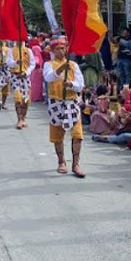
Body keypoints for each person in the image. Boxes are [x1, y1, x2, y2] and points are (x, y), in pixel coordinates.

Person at [43, 38, 86, 177]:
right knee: (57, 135)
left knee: (77, 135)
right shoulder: (48, 64)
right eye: (58, 49)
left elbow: (80, 84)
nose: (61, 51)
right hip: (56, 103)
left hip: (71, 102)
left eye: (63, 48)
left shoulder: (73, 64)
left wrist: (71, 85)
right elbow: (49, 78)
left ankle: (76, 164)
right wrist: (61, 68)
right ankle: (61, 161)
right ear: (53, 50)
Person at [7, 41, 35, 130]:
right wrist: (16, 62)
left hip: (26, 77)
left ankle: (23, 118)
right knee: (18, 98)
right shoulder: (11, 51)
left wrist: (27, 72)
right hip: (15, 76)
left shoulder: (28, 50)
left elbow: (32, 64)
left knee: (26, 100)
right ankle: (19, 119)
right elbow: (8, 63)